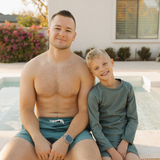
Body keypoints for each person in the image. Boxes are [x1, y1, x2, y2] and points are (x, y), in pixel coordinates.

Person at [0, 10, 101, 160]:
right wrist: (37, 138)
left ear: (74, 36)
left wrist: (67, 139)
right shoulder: (31, 67)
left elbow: (84, 111)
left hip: (74, 130)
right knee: (7, 157)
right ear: (48, 31)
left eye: (68, 30)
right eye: (57, 28)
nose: (62, 33)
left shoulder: (83, 69)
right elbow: (26, 109)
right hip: (38, 128)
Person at [85, 48, 140, 160]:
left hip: (126, 141)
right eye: (96, 68)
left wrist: (125, 143)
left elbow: (133, 119)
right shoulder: (94, 95)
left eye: (105, 64)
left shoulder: (127, 88)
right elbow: (95, 128)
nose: (102, 69)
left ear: (112, 62)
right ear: (92, 73)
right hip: (105, 144)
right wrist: (112, 152)